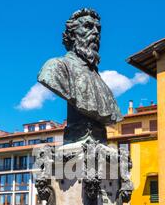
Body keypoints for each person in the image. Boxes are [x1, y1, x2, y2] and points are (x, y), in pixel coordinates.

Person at [37, 8, 122, 143]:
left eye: (98, 29)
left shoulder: (101, 83)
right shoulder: (56, 67)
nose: (95, 33)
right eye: (88, 26)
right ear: (72, 35)